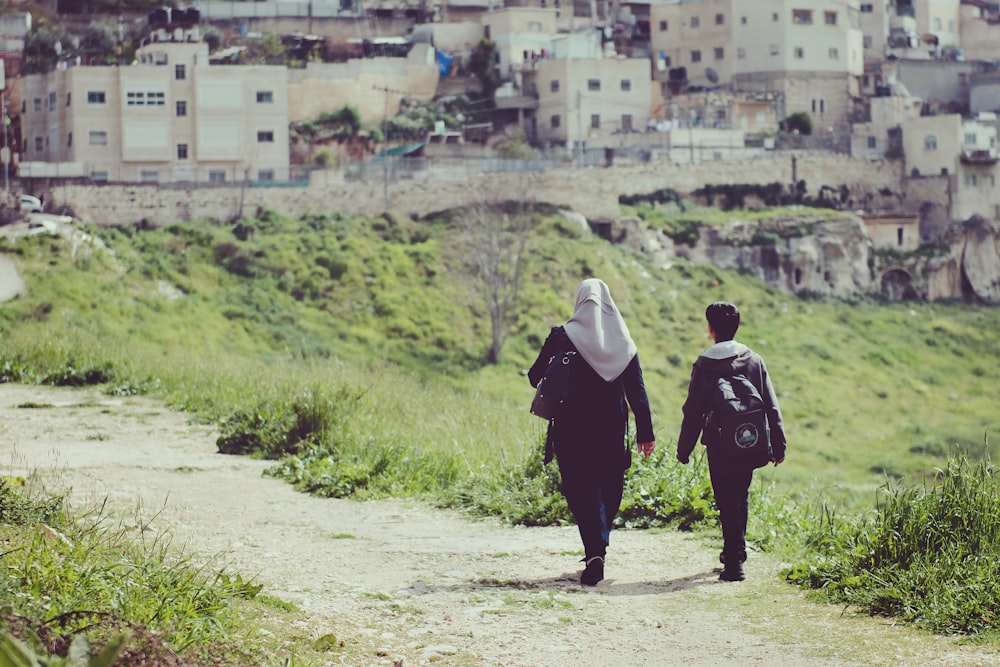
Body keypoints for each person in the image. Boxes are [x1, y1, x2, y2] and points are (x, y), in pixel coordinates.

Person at [528, 278, 655, 586]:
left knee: (580, 489)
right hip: (611, 429)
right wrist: (645, 433)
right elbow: (637, 392)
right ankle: (599, 547)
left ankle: (594, 552)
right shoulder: (623, 344)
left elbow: (534, 376)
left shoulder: (561, 336)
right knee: (610, 489)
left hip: (571, 429)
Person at [675, 301, 787, 582]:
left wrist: (684, 448)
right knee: (741, 493)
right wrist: (778, 443)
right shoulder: (753, 359)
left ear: (710, 329)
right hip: (750, 439)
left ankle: (734, 561)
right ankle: (737, 550)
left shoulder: (704, 364)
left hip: (719, 443)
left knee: (726, 498)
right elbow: (770, 403)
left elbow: (693, 410)